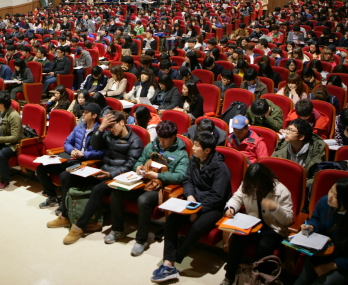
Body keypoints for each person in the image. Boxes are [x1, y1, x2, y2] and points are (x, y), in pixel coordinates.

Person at [47, 111, 143, 245]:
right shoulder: (109, 134)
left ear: (122, 122)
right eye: (109, 127)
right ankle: (65, 215)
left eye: (113, 126)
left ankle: (79, 226)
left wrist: (111, 174)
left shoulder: (134, 141)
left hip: (118, 177)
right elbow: (96, 145)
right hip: (102, 170)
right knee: (66, 175)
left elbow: (130, 165)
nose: (112, 129)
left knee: (98, 189)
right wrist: (101, 129)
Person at [150, 132, 231, 283]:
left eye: (197, 146)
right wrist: (190, 197)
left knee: (197, 227)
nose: (192, 148)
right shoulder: (194, 160)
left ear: (207, 150)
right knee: (171, 220)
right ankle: (168, 263)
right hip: (193, 202)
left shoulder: (221, 168)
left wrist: (197, 210)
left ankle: (176, 258)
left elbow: (217, 196)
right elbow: (188, 181)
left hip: (214, 207)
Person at [107, 121, 189, 256]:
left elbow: (180, 176)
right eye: (159, 138)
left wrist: (158, 175)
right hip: (143, 181)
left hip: (161, 188)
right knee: (117, 191)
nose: (161, 142)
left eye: (165, 140)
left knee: (143, 200)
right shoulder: (152, 145)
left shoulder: (181, 154)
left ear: (173, 137)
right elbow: (139, 161)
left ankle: (141, 240)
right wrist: (138, 168)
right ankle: (117, 229)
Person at [220, 163, 294, 285]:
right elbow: (237, 198)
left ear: (266, 180)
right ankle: (229, 277)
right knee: (237, 240)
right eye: (253, 185)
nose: (255, 188)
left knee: (264, 246)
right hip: (252, 223)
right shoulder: (247, 184)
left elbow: (288, 220)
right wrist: (231, 208)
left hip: (273, 228)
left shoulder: (281, 191)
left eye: (257, 185)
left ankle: (258, 279)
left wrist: (275, 208)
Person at [294, 178, 348, 285]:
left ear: (347, 200)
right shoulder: (324, 202)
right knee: (301, 282)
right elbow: (316, 218)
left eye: (336, 196)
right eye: (330, 190)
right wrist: (311, 227)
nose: (329, 196)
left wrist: (331, 266)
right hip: (320, 254)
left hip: (342, 263)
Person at [37, 103, 104, 208]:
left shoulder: (99, 132)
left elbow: (102, 153)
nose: (83, 114)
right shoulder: (79, 127)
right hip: (71, 159)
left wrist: (83, 154)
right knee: (41, 168)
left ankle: (65, 205)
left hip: (84, 163)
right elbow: (67, 142)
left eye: (86, 112)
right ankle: (52, 197)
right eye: (83, 112)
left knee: (64, 175)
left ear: (94, 115)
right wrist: (72, 150)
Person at [273, 119, 326, 186]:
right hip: (283, 183)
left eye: (292, 131)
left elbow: (316, 178)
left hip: (303, 186)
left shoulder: (316, 151)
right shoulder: (282, 145)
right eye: (287, 129)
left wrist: (298, 185)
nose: (287, 132)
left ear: (301, 137)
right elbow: (271, 166)